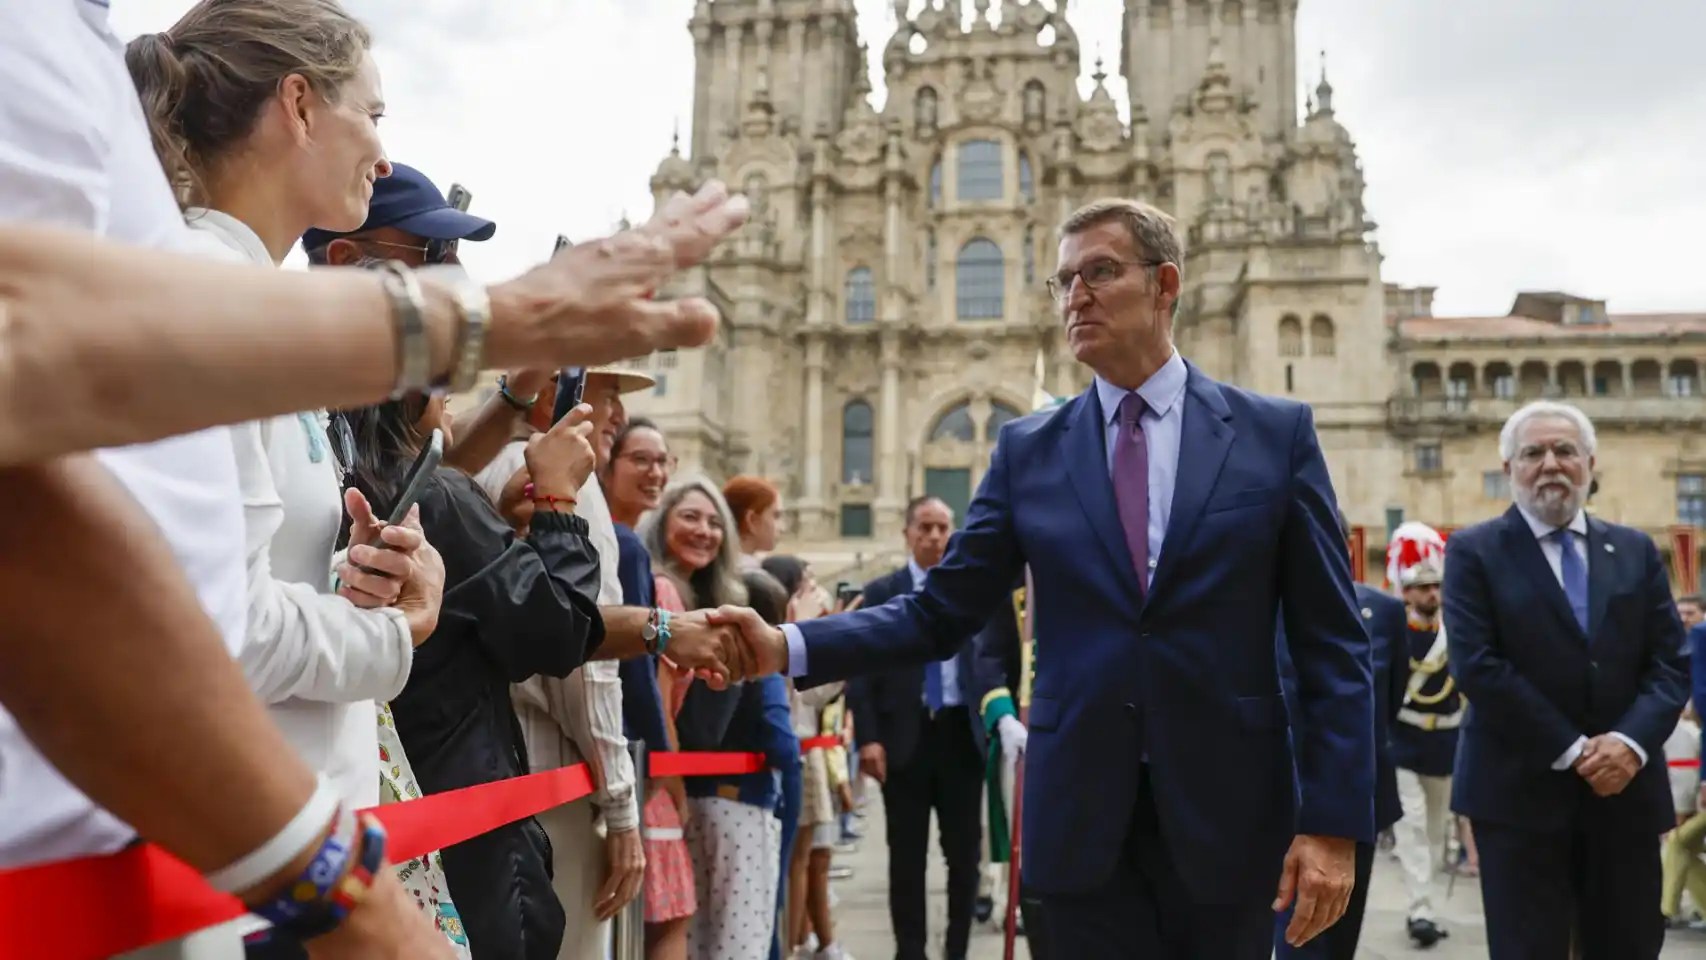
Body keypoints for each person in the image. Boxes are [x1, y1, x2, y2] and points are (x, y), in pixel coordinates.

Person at [714, 197, 1372, 958]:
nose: (1075, 297)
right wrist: (786, 645)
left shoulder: (1273, 436)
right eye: (1062, 281)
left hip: (1230, 823)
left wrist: (1332, 825)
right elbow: (939, 612)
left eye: (1099, 272)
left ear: (1166, 285)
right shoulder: (1027, 450)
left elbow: (1333, 646)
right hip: (1079, 829)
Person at [1445, 400, 1688, 958]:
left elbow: (1670, 664)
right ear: (1509, 470)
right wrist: (1576, 751)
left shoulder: (1634, 551)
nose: (1550, 463)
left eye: (1565, 450)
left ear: (1590, 463)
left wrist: (1627, 744)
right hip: (1518, 798)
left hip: (1624, 798)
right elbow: (1478, 666)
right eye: (1533, 452)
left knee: (1628, 945)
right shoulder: (1473, 551)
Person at [468, 365, 660, 960]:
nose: (618, 417)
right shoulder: (567, 485)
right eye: (608, 395)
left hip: (488, 777)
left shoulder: (479, 468)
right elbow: (583, 663)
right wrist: (623, 811)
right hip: (557, 787)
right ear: (558, 389)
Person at [844, 496, 987, 960]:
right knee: (906, 859)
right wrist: (868, 738)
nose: (933, 536)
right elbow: (861, 668)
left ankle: (957, 950)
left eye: (943, 528)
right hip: (903, 739)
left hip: (960, 737)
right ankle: (911, 951)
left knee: (964, 859)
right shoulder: (884, 591)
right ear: (907, 532)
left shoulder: (970, 590)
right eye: (924, 527)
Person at [1275, 512, 1411, 960]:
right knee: (1296, 942)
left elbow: (1384, 705)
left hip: (1354, 804)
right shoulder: (1248, 612)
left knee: (1336, 943)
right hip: (1271, 808)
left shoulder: (1382, 611)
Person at [679, 571, 801, 960]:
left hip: (690, 803)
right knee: (740, 938)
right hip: (743, 808)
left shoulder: (698, 655)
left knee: (697, 936)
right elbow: (782, 743)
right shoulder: (757, 666)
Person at [1381, 522, 1460, 948]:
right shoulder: (1398, 633)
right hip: (1405, 740)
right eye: (1422, 587)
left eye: (1436, 586)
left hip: (1445, 743)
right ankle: (1420, 910)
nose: (1432, 594)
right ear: (1406, 592)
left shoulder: (1454, 631)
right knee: (1410, 828)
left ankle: (1426, 905)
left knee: (1435, 831)